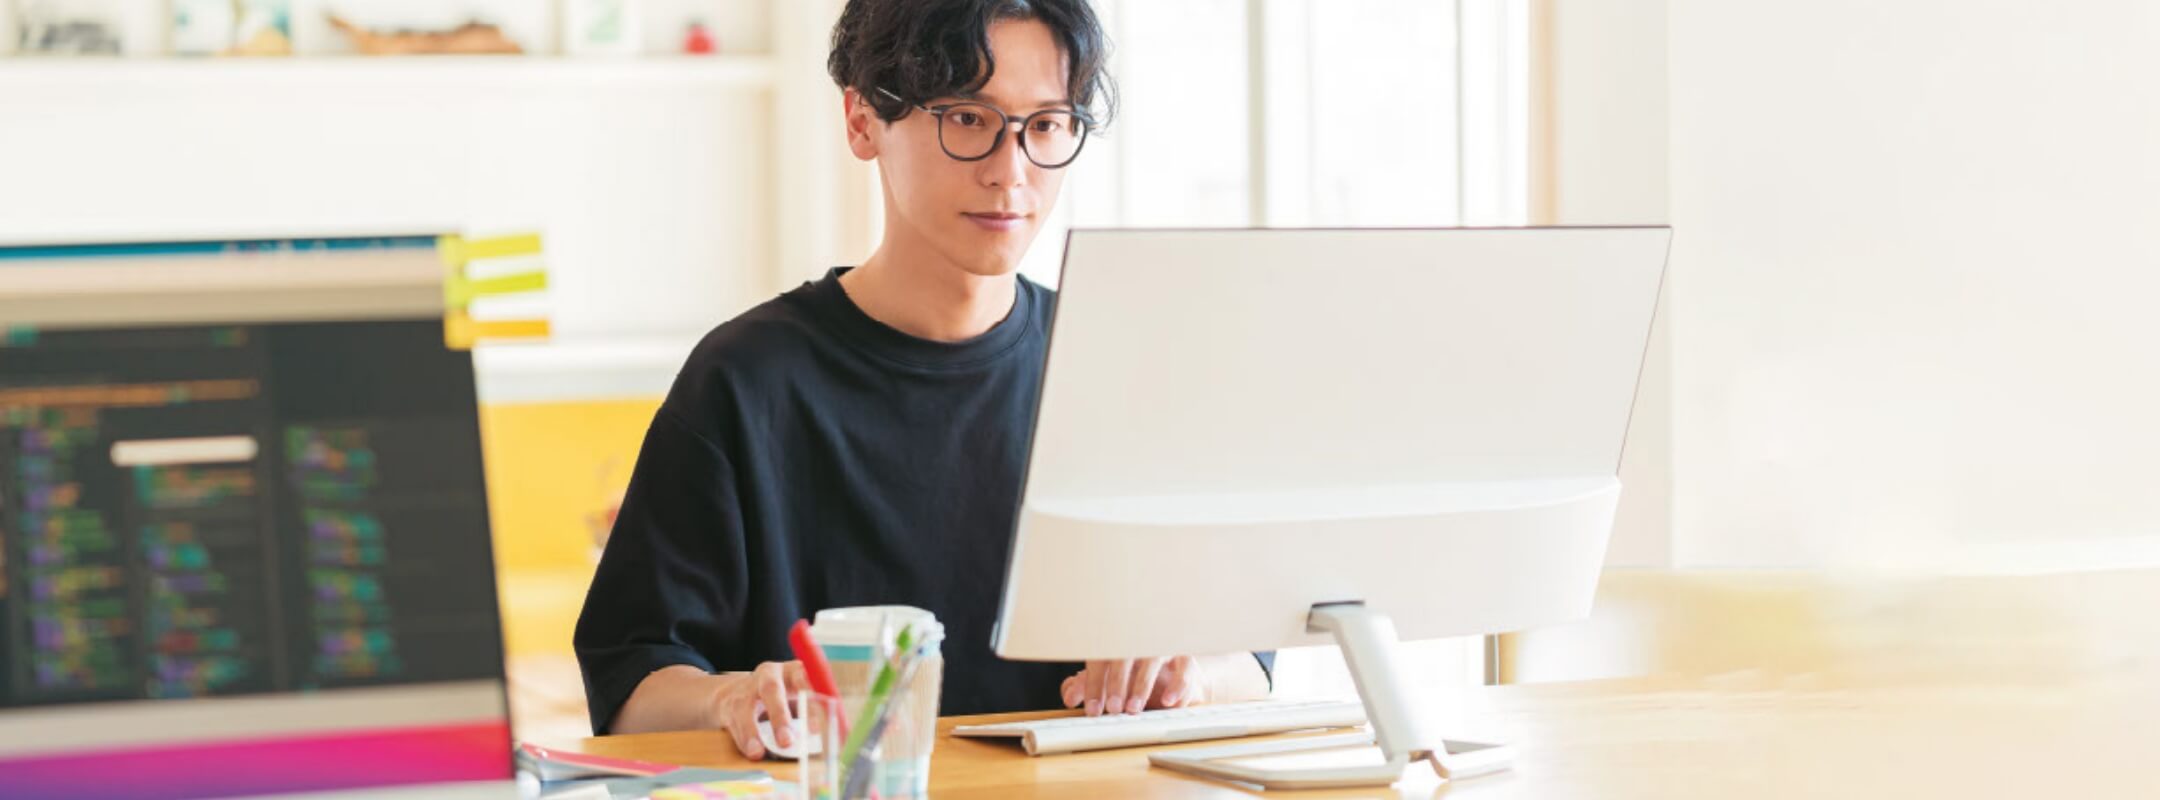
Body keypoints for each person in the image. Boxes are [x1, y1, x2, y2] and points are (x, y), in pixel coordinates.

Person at [573, 0, 1271, 758]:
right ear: (862, 120)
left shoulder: (1116, 366)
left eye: (1045, 125)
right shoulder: (744, 383)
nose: (1011, 172)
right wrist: (730, 697)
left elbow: (1254, 660)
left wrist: (1189, 675)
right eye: (968, 119)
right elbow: (630, 687)